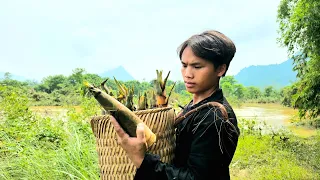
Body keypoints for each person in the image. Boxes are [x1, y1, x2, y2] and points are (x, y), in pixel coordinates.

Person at [110, 30, 240, 180]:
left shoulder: (214, 117)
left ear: (220, 69)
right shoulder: (196, 105)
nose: (188, 74)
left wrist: (141, 159)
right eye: (184, 65)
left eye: (197, 67)